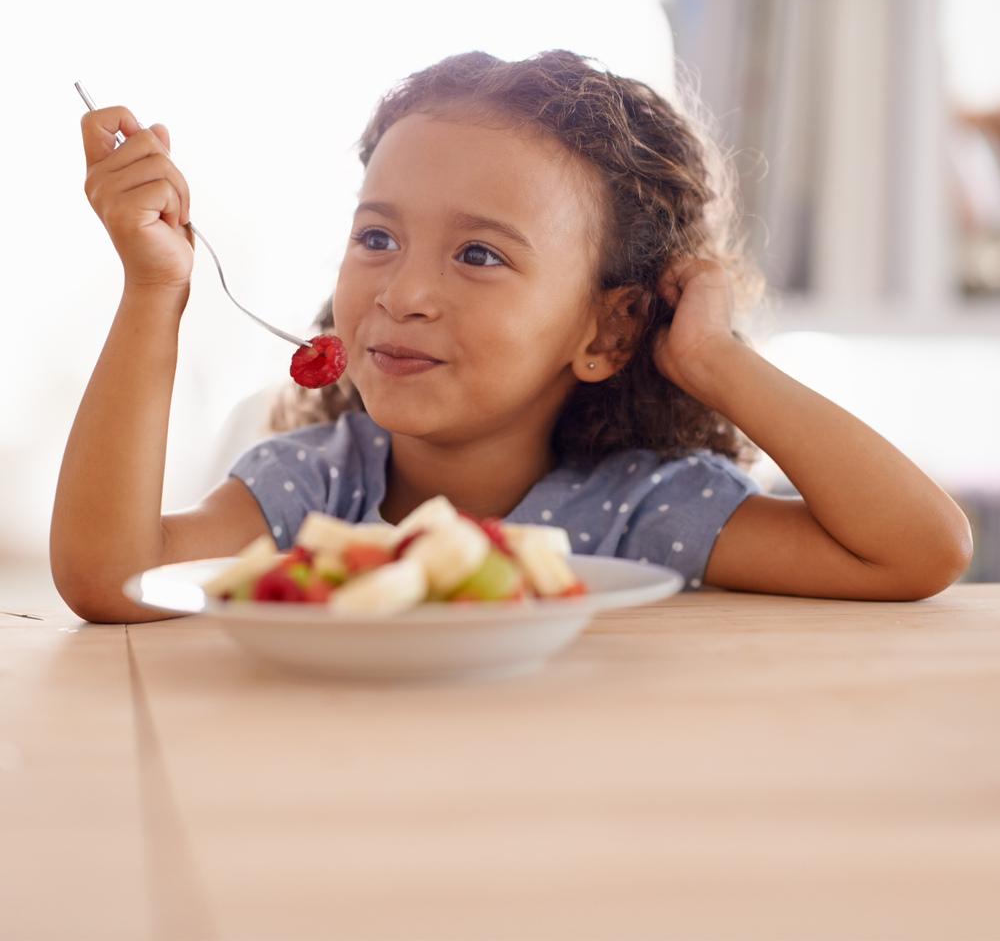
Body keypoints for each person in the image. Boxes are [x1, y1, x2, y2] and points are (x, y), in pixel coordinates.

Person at [51, 50, 973, 624]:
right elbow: (112, 580)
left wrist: (711, 359)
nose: (404, 293)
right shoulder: (314, 486)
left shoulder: (639, 513)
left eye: (480, 255)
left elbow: (919, 551)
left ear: (608, 331)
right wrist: (152, 289)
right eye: (378, 238)